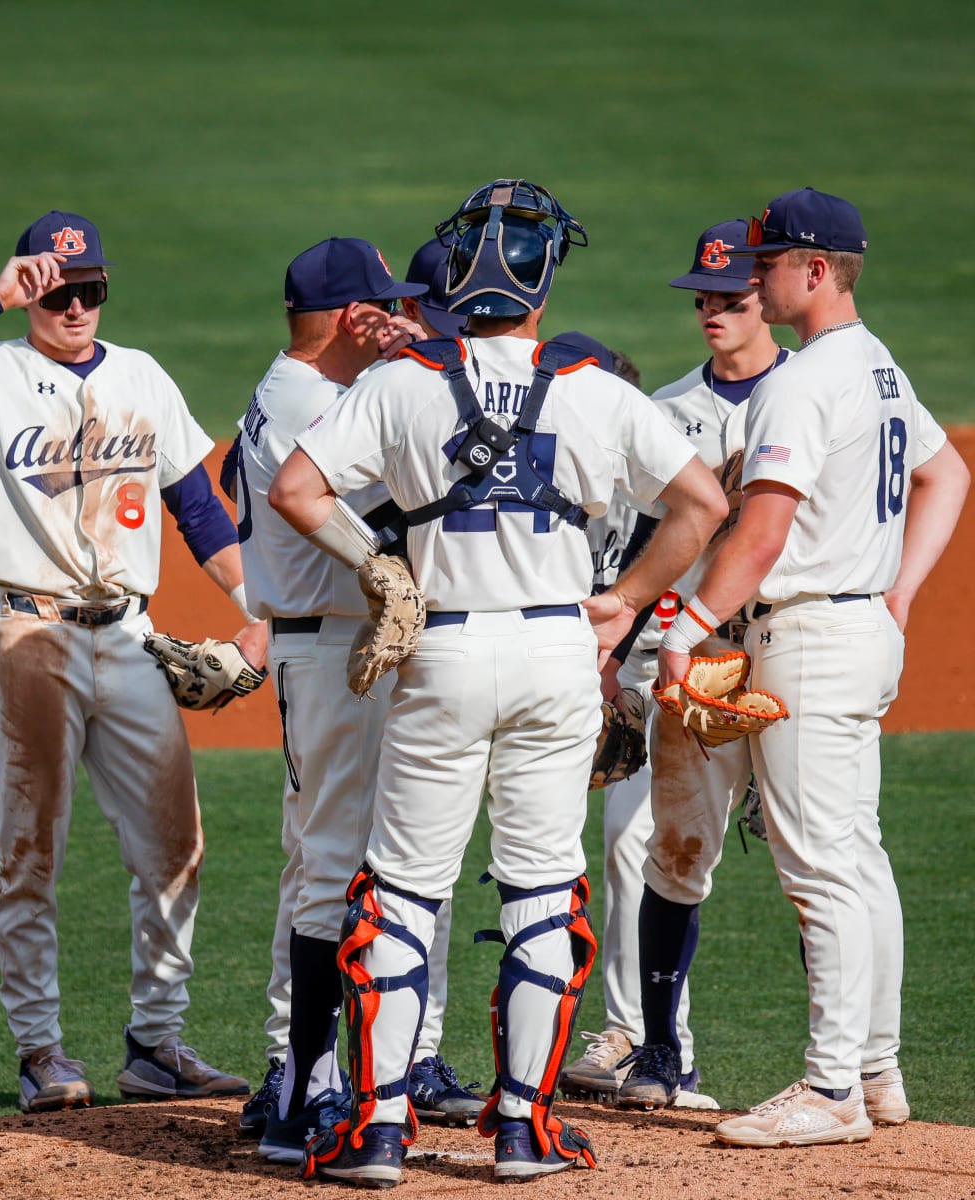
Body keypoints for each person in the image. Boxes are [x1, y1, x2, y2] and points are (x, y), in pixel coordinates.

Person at [268, 178, 728, 1186]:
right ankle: (524, 1128)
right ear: (543, 288)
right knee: (542, 885)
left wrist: (377, 563)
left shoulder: (401, 381)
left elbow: (292, 489)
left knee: (400, 891)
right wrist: (627, 600)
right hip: (561, 653)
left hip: (443, 649)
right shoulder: (598, 387)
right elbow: (702, 502)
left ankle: (377, 1132)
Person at [0, 210, 266, 1114]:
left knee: (177, 847)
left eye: (90, 287)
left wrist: (262, 618)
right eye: (57, 290)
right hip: (29, 638)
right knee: (30, 851)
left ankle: (157, 1044)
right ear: (32, 292)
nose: (77, 304)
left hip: (130, 637)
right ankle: (40, 1051)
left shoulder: (141, 376)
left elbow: (197, 510)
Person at [652, 188, 969, 1147]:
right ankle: (875, 1070)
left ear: (815, 270)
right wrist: (900, 591)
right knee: (858, 857)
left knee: (819, 866)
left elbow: (765, 528)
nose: (751, 278)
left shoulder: (802, 381)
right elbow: (948, 474)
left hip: (807, 638)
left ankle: (830, 1087)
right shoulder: (876, 368)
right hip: (859, 633)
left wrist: (688, 624)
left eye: (769, 262)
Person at [232, 238, 486, 1152]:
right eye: (380, 305)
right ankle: (306, 1094)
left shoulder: (287, 390)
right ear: (349, 317)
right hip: (343, 654)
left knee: (326, 861)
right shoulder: (322, 403)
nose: (392, 316)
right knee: (340, 868)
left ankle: (320, 1078)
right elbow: (419, 505)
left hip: (326, 649)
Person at [568, 220, 793, 1112]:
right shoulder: (662, 412)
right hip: (678, 657)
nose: (713, 311)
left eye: (731, 298)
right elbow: (633, 545)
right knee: (643, 844)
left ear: (765, 300)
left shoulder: (810, 393)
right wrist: (616, 660)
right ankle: (645, 1044)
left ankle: (859, 1063)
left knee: (810, 857)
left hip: (781, 646)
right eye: (701, 298)